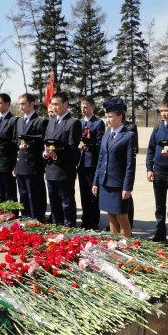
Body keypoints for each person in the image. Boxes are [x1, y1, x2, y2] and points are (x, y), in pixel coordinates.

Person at [92, 99, 136, 238]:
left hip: (118, 184)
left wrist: (127, 187)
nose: (107, 119)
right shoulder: (106, 134)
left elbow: (130, 165)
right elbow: (100, 160)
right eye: (106, 116)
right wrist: (95, 181)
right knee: (111, 216)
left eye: (110, 116)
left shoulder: (128, 136)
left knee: (122, 217)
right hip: (105, 183)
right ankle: (115, 244)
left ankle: (127, 246)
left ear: (120, 116)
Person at [43, 92, 82, 227]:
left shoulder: (73, 123)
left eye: (56, 104)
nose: (53, 107)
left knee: (66, 202)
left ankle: (69, 226)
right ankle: (56, 225)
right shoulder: (51, 121)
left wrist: (56, 155)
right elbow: (46, 142)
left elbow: (73, 148)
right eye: (52, 104)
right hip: (50, 169)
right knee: (54, 202)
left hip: (64, 170)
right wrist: (45, 153)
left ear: (65, 104)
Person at [146, 97, 168, 245]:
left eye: (166, 110)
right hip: (158, 172)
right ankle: (160, 233)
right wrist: (149, 168)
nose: (163, 113)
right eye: (161, 111)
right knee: (159, 205)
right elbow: (151, 149)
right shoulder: (158, 127)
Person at [15, 93, 48, 221]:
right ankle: (25, 217)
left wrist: (30, 144)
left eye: (23, 103)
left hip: (33, 164)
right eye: (20, 104)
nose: (21, 107)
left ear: (31, 104)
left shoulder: (40, 121)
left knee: (34, 194)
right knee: (23, 194)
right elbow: (16, 140)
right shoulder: (19, 121)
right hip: (21, 163)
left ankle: (37, 219)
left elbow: (43, 142)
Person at [77, 97, 105, 230]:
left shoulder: (98, 123)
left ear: (93, 108)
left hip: (92, 162)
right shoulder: (80, 123)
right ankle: (85, 219)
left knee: (93, 194)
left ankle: (94, 220)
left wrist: (88, 145)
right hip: (81, 163)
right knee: (83, 193)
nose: (83, 109)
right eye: (82, 107)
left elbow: (100, 144)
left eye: (86, 107)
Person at [0, 94, 19, 203]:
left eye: (0, 103)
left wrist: (3, 145)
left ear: (7, 104)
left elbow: (15, 141)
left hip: (8, 161)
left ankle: (12, 215)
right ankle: (2, 214)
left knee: (9, 191)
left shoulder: (13, 120)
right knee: (0, 191)